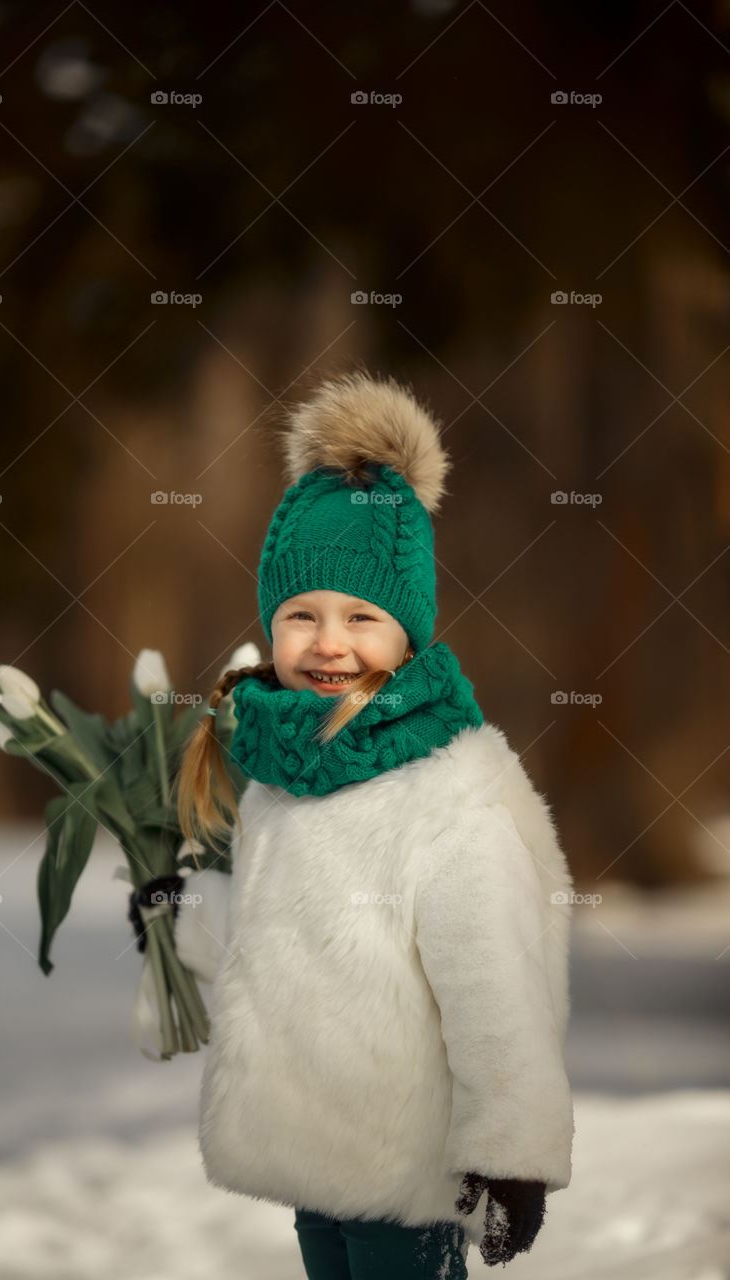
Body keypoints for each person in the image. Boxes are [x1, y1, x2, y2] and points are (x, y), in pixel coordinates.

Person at [171, 369, 575, 1278]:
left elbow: (496, 981)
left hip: (409, 1168)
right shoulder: (284, 771)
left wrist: (510, 1155)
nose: (329, 642)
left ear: (408, 635)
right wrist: (182, 913)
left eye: (362, 616)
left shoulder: (445, 787)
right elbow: (279, 936)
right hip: (315, 1149)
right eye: (301, 615)